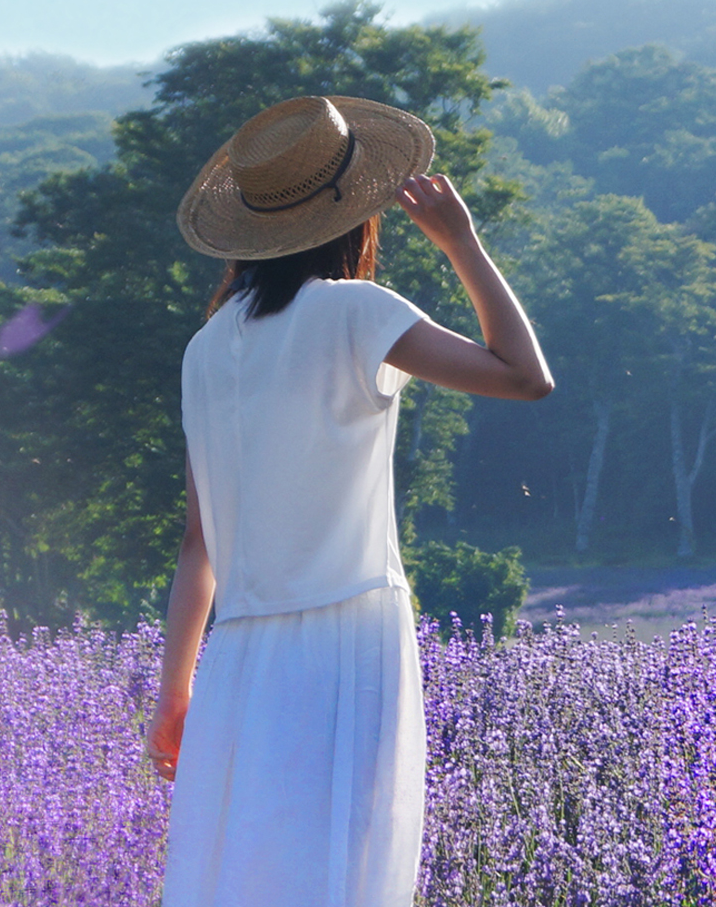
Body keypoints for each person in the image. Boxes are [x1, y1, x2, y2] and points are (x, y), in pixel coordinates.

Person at [142, 95, 552, 906]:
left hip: (241, 656)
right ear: (355, 212)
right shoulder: (357, 313)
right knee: (342, 873)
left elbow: (199, 545)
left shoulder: (205, 347)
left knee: (246, 876)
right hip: (347, 640)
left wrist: (174, 691)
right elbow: (524, 376)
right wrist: (462, 242)